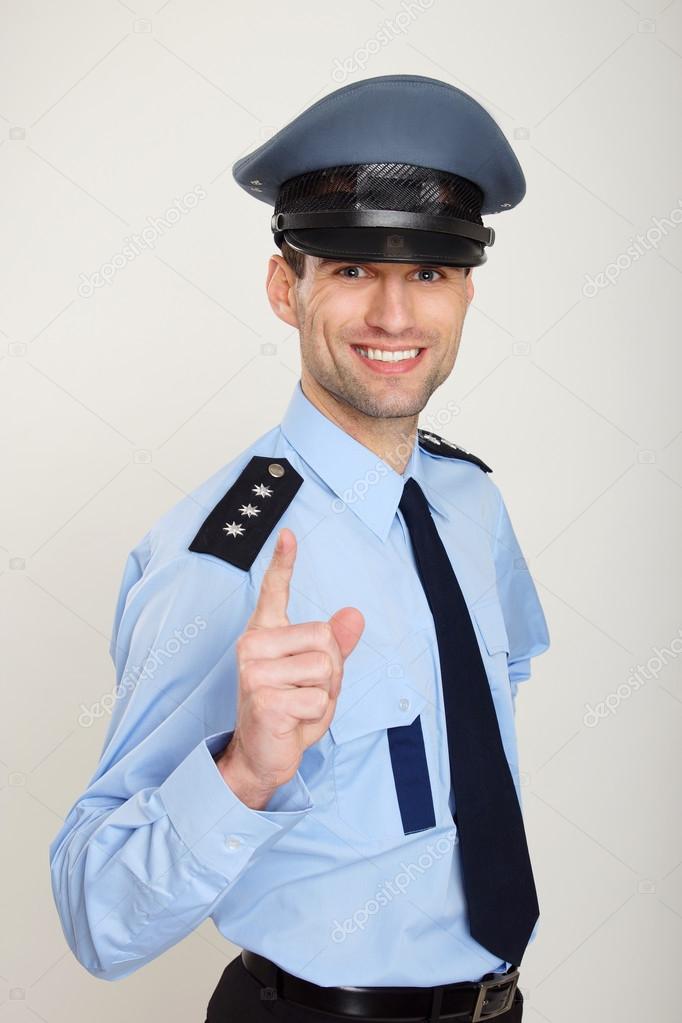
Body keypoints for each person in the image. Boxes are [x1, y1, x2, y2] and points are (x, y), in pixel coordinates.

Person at [49, 74, 550, 1022]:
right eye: (354, 269)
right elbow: (94, 910)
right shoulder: (221, 561)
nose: (395, 318)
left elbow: (489, 702)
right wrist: (245, 770)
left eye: (429, 273)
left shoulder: (470, 502)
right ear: (287, 286)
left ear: (467, 292)